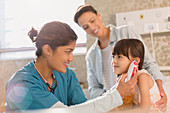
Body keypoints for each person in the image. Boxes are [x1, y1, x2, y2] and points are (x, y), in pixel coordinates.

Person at [5, 21, 138, 113]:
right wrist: (116, 95)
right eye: (68, 51)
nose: (71, 58)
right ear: (47, 50)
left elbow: (84, 109)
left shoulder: (67, 75)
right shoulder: (22, 84)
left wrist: (115, 91)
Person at [74, 4, 167, 112]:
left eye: (92, 21)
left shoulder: (126, 32)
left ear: (98, 15)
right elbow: (94, 88)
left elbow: (148, 63)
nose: (92, 27)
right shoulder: (91, 55)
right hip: (115, 104)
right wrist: (111, 98)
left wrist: (160, 89)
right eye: (85, 27)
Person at [112, 39, 161, 112]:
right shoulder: (125, 79)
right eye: (113, 56)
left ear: (135, 61)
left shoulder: (142, 77)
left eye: (119, 57)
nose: (114, 61)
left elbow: (144, 109)